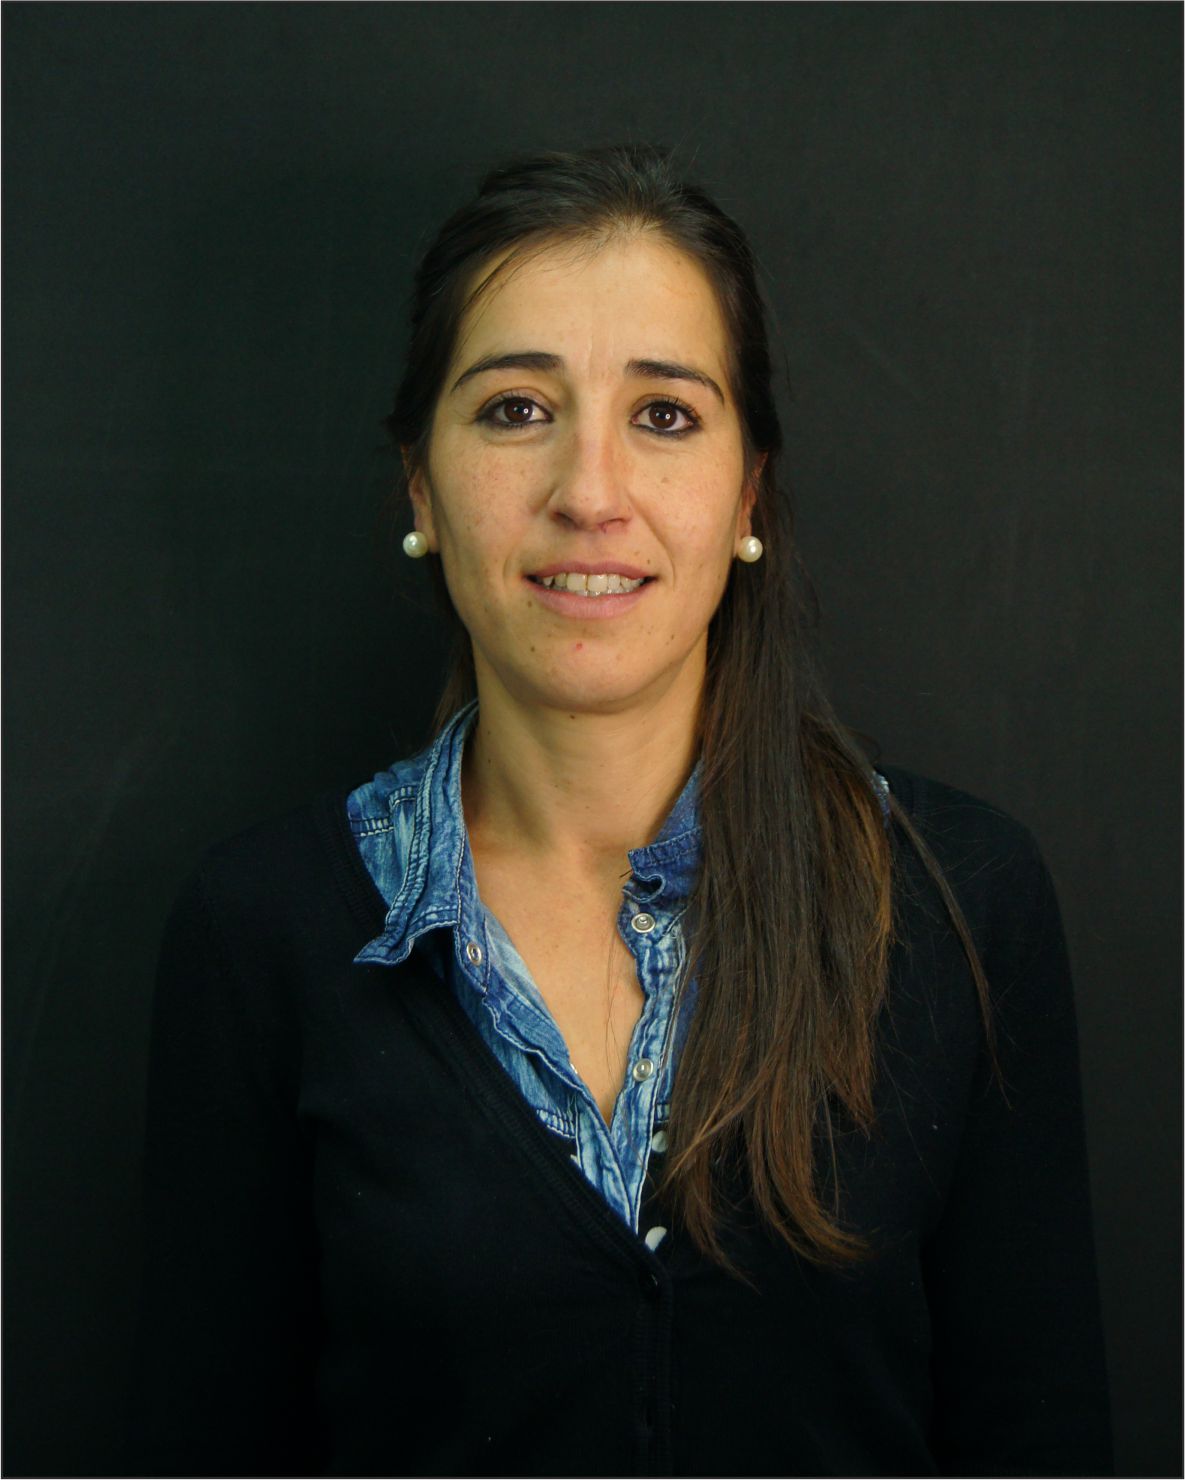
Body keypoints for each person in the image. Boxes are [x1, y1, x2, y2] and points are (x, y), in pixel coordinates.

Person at [128, 145, 1112, 1478]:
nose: (590, 492)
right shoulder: (261, 932)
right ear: (420, 485)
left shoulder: (957, 903)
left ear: (747, 493)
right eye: (515, 409)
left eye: (663, 416)